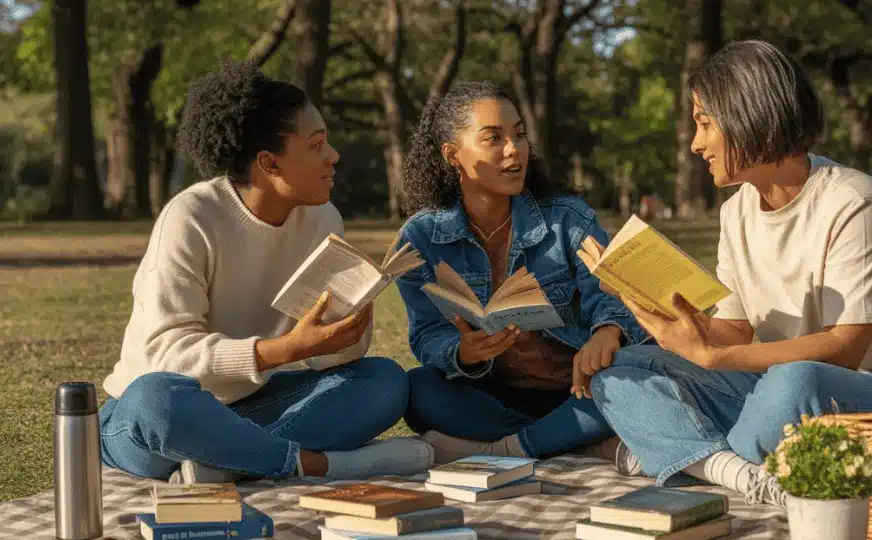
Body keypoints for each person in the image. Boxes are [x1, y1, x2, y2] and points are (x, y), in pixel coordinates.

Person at [589, 40, 872, 507]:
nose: (696, 143)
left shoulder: (855, 201)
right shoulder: (736, 212)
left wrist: (714, 360)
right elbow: (735, 331)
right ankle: (734, 468)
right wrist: (654, 308)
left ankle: (685, 453)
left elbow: (845, 349)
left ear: (749, 113)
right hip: (782, 390)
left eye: (704, 123)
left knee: (794, 382)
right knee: (622, 373)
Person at [98, 62, 432, 484]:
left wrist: (343, 333)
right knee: (155, 399)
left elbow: (327, 358)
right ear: (269, 163)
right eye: (316, 145)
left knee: (383, 381)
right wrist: (283, 349)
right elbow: (164, 358)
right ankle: (318, 465)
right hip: (151, 419)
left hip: (251, 407)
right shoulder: (191, 217)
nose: (333, 156)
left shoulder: (323, 219)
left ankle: (223, 464)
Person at [395, 81, 649, 464]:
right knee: (416, 390)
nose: (514, 149)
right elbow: (428, 334)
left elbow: (608, 295)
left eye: (519, 135)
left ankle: (509, 449)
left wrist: (607, 332)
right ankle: (575, 443)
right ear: (453, 156)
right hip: (497, 397)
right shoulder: (420, 238)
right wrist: (462, 352)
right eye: (493, 138)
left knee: (632, 380)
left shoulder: (568, 219)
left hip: (583, 390)